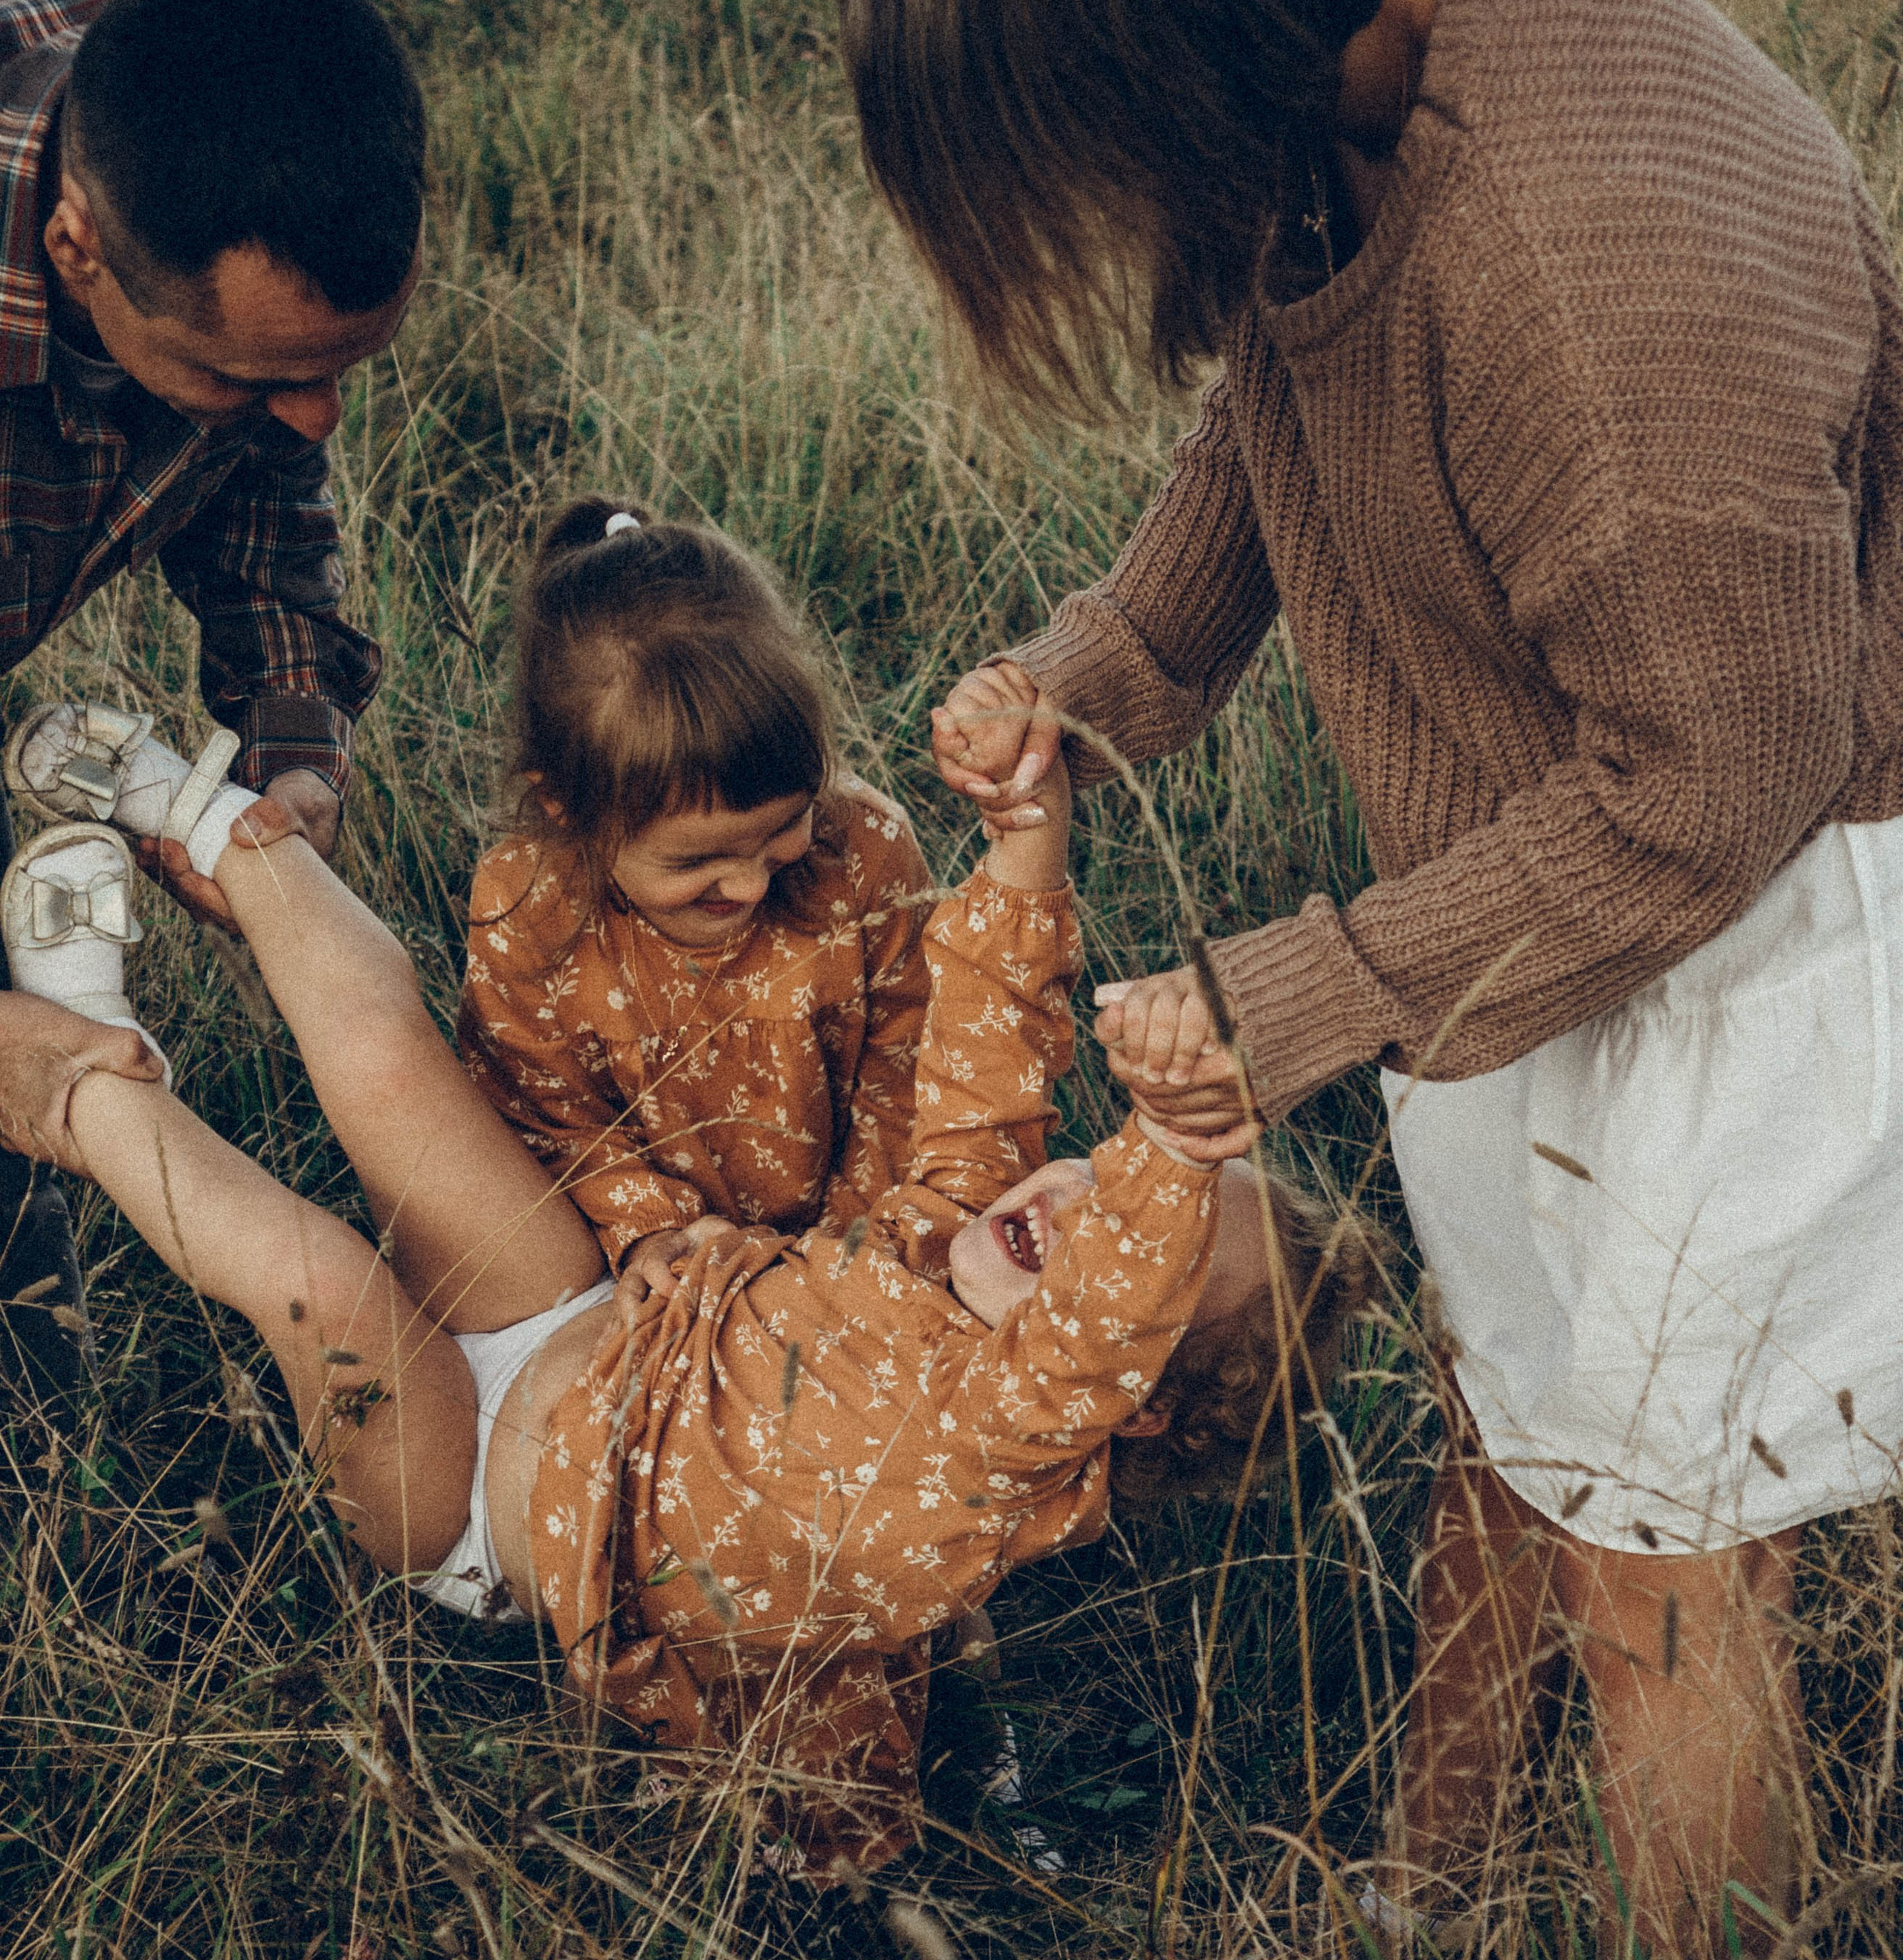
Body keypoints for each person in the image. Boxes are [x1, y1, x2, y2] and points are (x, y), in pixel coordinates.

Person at [840, 0, 1903, 1960]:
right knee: (1505, 1414)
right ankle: (1423, 1903)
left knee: (1660, 1579)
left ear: (1181, 60)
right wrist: (1105, 667)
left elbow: (1711, 784)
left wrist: (1302, 988)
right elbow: (1288, 385)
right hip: (1539, 851)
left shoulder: (1590, 279)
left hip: (1765, 905)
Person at [0, 719, 1371, 1877]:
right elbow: (992, 1058)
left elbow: (1099, 1311)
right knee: (389, 1064)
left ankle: (76, 1071)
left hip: (469, 1500)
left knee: (320, 1280)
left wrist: (1187, 1145)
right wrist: (1030, 843)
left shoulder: (994, 1445)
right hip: (579, 1317)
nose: (1082, 1206)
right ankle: (206, 809)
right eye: (1101, 1175)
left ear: (1121, 1395)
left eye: (1127, 1245)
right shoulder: (955, 1234)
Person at [0, 0, 423, 1414]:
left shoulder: (227, 89)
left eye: (342, 367)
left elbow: (265, 499)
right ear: (74, 252)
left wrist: (294, 754)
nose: (310, 421)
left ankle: (37, 1483)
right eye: (249, 382)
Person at [457, 498, 933, 1304]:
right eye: (697, 859)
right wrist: (652, 1228)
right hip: (654, 1273)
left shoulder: (865, 851)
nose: (750, 883)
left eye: (784, 827)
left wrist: (851, 1250)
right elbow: (542, 1110)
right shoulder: (528, 904)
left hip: (867, 1254)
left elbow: (914, 1063)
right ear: (567, 809)